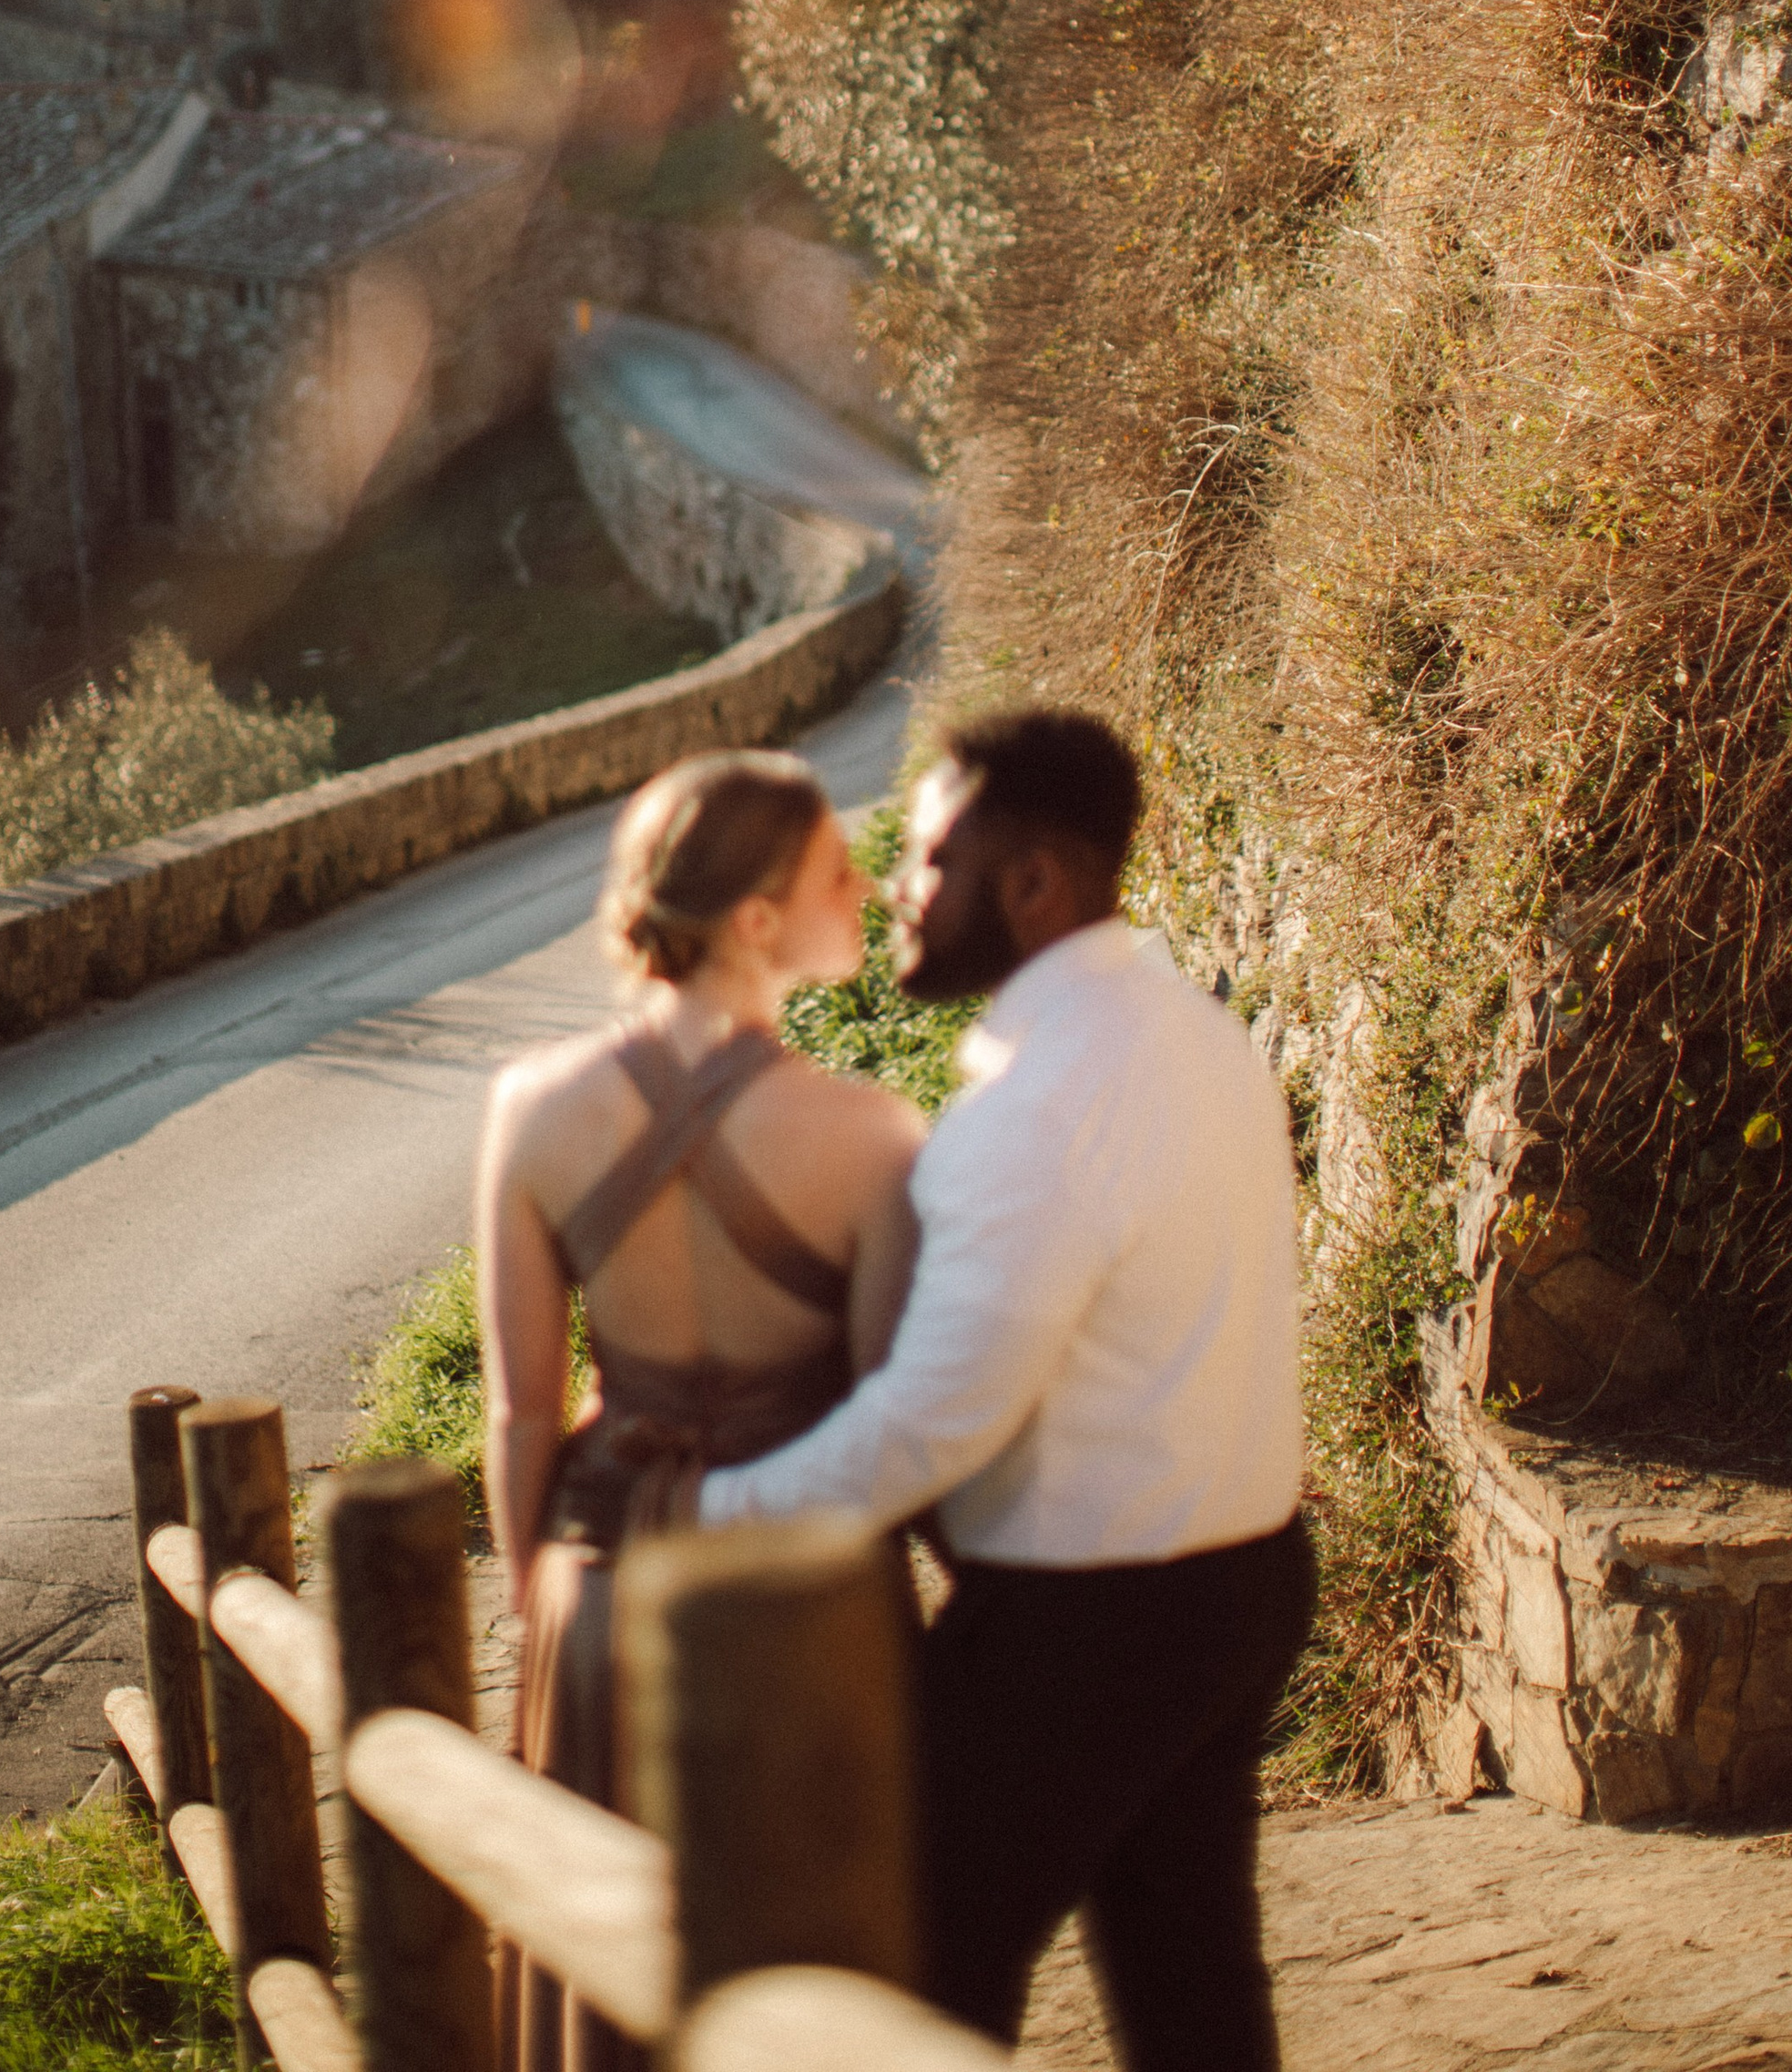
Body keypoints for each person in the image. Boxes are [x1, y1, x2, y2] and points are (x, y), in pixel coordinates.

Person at [698, 708, 1311, 2072]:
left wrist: (712, 1502)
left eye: (928, 860)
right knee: (1190, 1980)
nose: (902, 888)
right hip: (1245, 1584)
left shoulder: (1038, 1105)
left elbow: (934, 1423)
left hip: (1086, 1631)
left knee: (909, 1996)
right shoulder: (1197, 1031)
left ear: (1032, 884)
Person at [476, 748, 924, 2072]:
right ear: (757, 922)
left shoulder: (529, 1111)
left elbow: (519, 1410)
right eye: (838, 869)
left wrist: (532, 1599)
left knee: (607, 1973)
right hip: (809, 1602)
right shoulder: (874, 1136)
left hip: (605, 1583)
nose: (870, 885)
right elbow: (897, 1418)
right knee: (809, 1979)